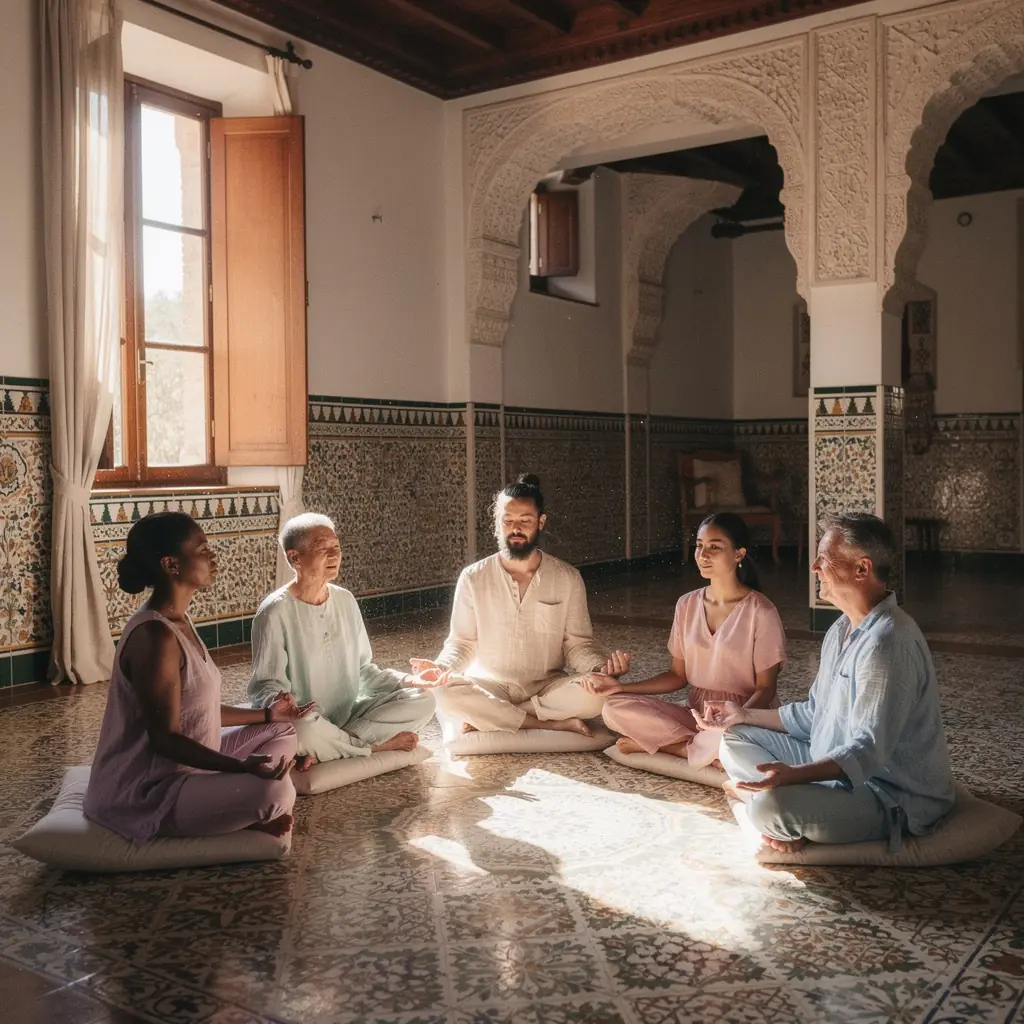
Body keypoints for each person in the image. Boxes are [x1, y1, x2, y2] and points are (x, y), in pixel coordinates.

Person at [712, 512, 955, 853]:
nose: (814, 567)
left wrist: (793, 776)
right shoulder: (841, 628)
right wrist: (742, 715)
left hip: (886, 794)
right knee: (733, 738)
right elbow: (814, 714)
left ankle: (763, 809)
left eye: (824, 559)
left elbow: (868, 751)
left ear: (862, 569)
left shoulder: (887, 642)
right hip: (827, 760)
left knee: (773, 808)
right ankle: (772, 804)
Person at [85, 512, 303, 842]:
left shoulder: (178, 619)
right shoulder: (155, 636)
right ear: (171, 565)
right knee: (274, 794)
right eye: (202, 549)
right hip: (150, 789)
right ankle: (238, 808)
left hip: (190, 766)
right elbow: (165, 739)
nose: (212, 556)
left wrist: (268, 715)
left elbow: (198, 710)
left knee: (282, 729)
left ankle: (231, 801)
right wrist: (238, 768)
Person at [412, 475, 630, 737]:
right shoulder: (473, 577)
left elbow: (578, 645)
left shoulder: (567, 577)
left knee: (598, 693)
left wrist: (600, 668)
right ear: (496, 524)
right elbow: (461, 644)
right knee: (443, 692)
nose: (515, 528)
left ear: (541, 522)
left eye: (525, 520)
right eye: (507, 520)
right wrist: (441, 669)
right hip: (490, 684)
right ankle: (545, 722)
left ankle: (496, 715)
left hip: (547, 686)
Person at [585, 513, 786, 767]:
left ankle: (675, 747)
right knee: (613, 709)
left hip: (744, 715)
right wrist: (621, 688)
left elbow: (766, 689)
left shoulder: (762, 611)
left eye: (714, 547)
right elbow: (677, 676)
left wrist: (735, 718)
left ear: (739, 554)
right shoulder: (687, 604)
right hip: (697, 713)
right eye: (699, 546)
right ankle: (699, 750)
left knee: (733, 740)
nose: (703, 554)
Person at [248, 513, 437, 770]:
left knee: (423, 700)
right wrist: (286, 707)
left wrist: (407, 680)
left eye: (336, 547)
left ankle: (335, 746)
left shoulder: (345, 600)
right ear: (295, 558)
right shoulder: (274, 612)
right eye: (322, 548)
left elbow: (364, 671)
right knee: (299, 731)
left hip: (349, 714)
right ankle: (373, 746)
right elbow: (267, 687)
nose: (334, 555)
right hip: (307, 720)